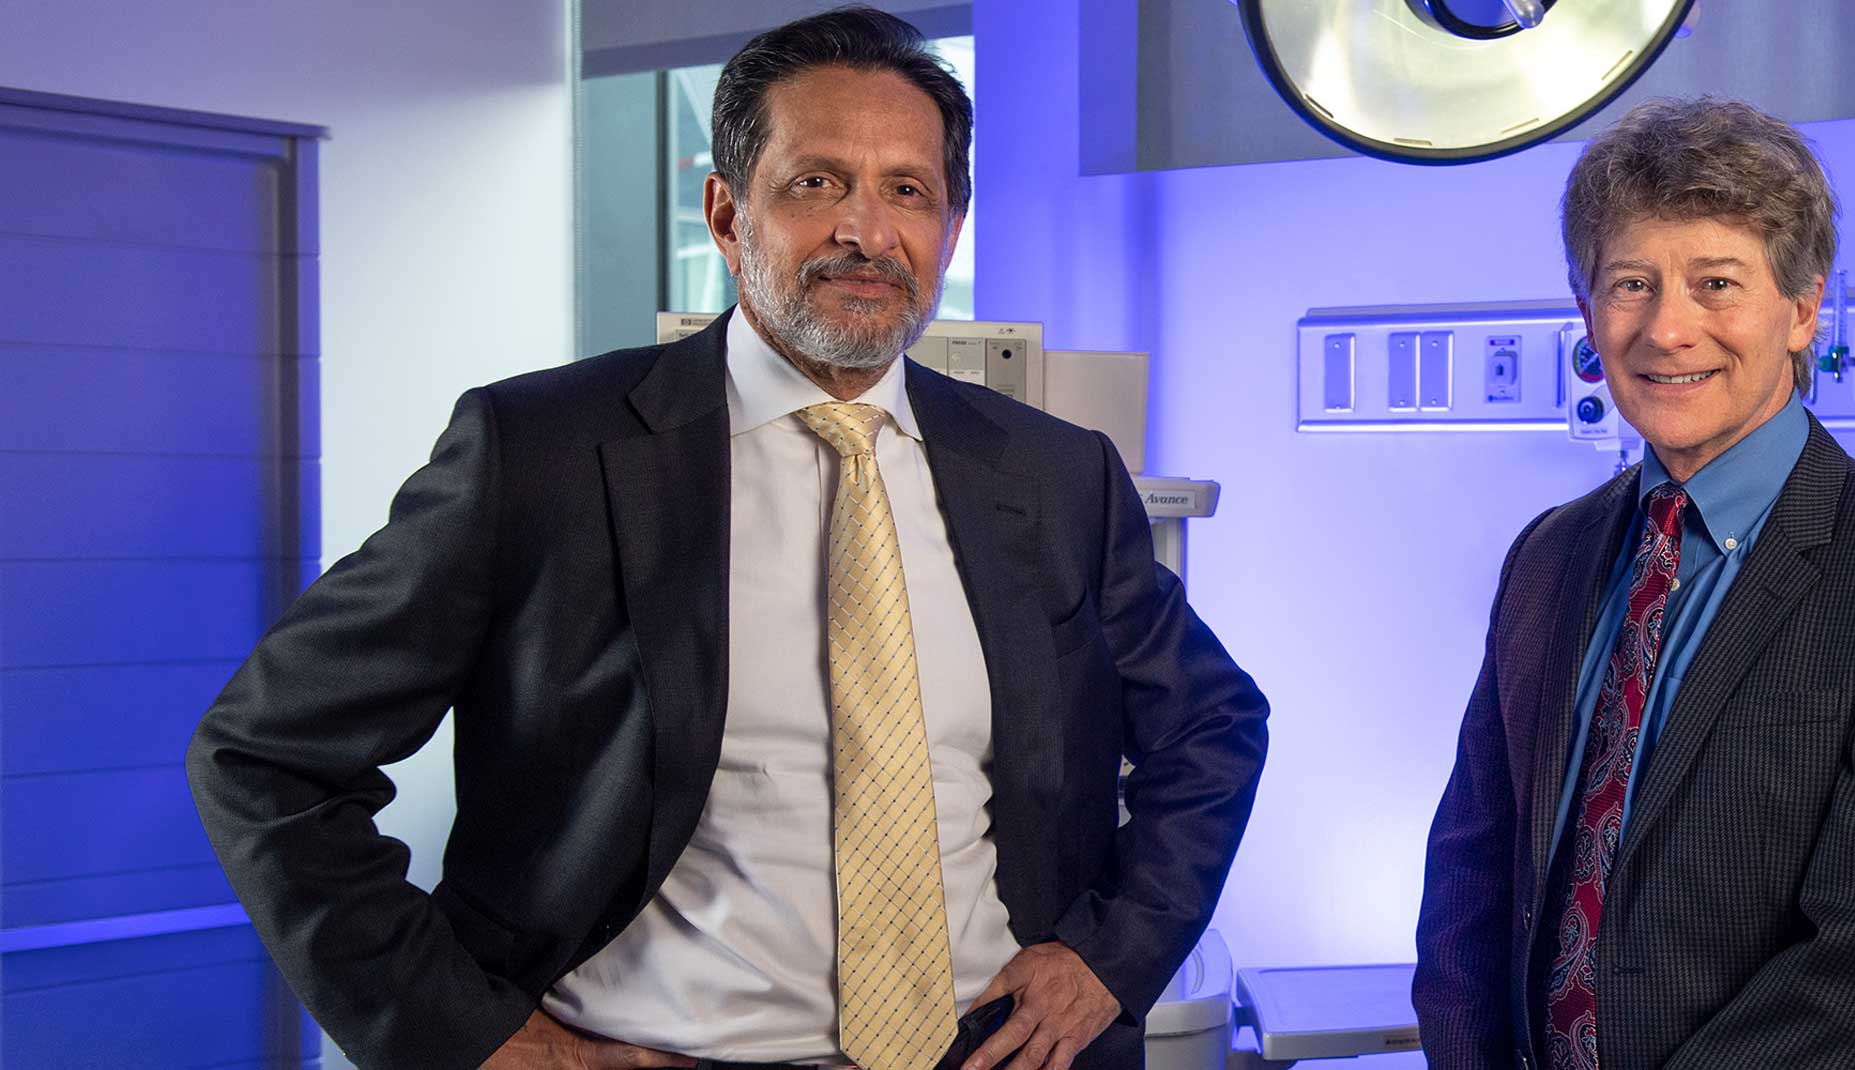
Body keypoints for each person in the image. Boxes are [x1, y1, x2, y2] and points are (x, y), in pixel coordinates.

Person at [188, 8, 1268, 1069]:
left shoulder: (1052, 471)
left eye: (908, 190)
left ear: (948, 222)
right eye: (816, 182)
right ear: (723, 211)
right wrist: (469, 1037)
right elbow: (268, 755)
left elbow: (1210, 726)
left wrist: (1110, 956)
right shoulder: (544, 453)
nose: (866, 230)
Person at [1412, 97, 1855, 1070]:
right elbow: (1471, 867)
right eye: (1631, 284)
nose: (1667, 328)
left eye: (1716, 283)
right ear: (1585, 310)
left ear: (1803, 308)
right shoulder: (1548, 555)